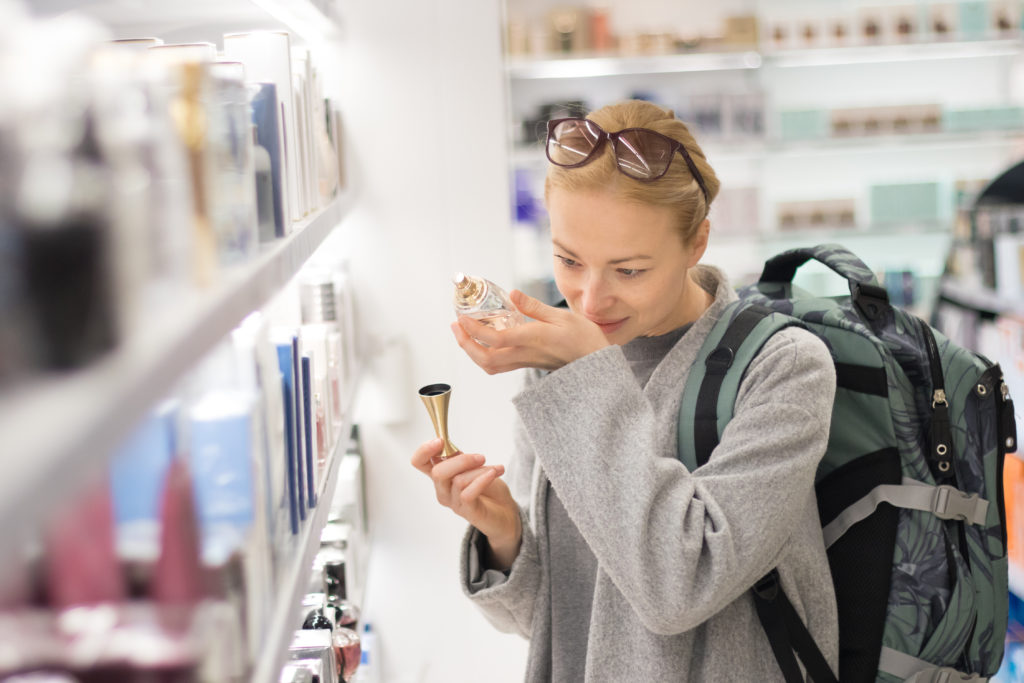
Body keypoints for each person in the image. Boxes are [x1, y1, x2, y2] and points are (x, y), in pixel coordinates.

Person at [410, 99, 839, 681]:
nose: (589, 300)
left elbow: (678, 588)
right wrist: (506, 533)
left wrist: (587, 369)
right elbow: (560, 621)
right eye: (568, 260)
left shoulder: (782, 367)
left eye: (629, 270)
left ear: (697, 243)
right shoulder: (557, 362)